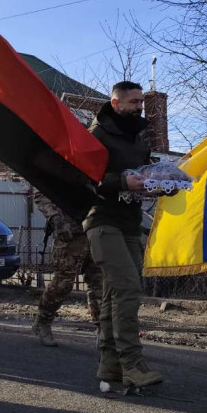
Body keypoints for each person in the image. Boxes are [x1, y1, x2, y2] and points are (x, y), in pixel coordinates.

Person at [84, 81, 162, 389]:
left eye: (141, 101)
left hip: (129, 223)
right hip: (102, 221)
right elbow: (83, 177)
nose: (139, 106)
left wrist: (159, 183)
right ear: (115, 103)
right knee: (128, 290)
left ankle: (109, 366)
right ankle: (132, 365)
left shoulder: (137, 139)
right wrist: (122, 183)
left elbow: (144, 175)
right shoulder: (96, 135)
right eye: (133, 102)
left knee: (114, 294)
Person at [32, 191, 103, 347]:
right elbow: (41, 193)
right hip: (69, 234)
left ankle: (102, 330)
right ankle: (43, 321)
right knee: (63, 283)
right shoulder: (59, 167)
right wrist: (56, 219)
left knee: (99, 281)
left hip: (95, 230)